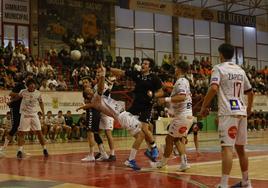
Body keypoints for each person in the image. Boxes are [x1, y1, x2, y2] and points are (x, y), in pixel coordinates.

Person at [200, 43, 254, 188]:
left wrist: (204, 106)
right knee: (241, 149)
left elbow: (213, 88)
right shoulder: (240, 70)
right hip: (242, 112)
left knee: (227, 148)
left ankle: (223, 184)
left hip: (228, 112)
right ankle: (246, 182)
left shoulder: (218, 68)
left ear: (221, 54)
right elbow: (250, 92)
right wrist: (249, 108)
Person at [77, 65, 148, 170]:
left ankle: (145, 151)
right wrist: (102, 75)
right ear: (88, 96)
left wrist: (83, 106)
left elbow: (102, 91)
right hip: (122, 116)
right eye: (88, 91)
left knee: (144, 131)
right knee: (142, 134)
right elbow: (100, 88)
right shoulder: (96, 98)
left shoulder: (97, 98)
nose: (90, 89)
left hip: (123, 115)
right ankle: (133, 159)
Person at [108, 58, 164, 161]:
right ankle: (149, 150)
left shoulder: (154, 78)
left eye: (146, 64)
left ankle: (154, 148)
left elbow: (161, 92)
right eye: (142, 63)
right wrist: (109, 68)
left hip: (146, 106)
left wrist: (153, 94)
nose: (143, 65)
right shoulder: (137, 74)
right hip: (135, 105)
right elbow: (121, 72)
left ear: (150, 67)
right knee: (141, 127)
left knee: (144, 129)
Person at [150, 61, 193, 171]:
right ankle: (184, 162)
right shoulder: (184, 81)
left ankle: (162, 163)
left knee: (169, 139)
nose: (174, 70)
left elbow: (182, 97)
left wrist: (165, 99)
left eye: (176, 67)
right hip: (187, 116)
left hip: (182, 116)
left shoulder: (181, 81)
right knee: (177, 139)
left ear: (179, 69)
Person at [15, 78, 49, 159]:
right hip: (25, 114)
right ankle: (19, 150)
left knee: (39, 132)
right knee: (21, 133)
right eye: (31, 85)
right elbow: (17, 98)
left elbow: (41, 102)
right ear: (28, 86)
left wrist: (43, 113)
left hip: (34, 114)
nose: (33, 86)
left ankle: (44, 149)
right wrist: (11, 101)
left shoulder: (38, 93)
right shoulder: (23, 92)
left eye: (34, 85)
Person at [0, 74, 27, 155]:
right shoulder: (20, 85)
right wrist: (20, 95)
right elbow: (11, 94)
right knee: (15, 127)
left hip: (22, 109)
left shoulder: (27, 88)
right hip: (15, 108)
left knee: (21, 129)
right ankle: (3, 148)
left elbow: (20, 97)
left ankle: (20, 149)